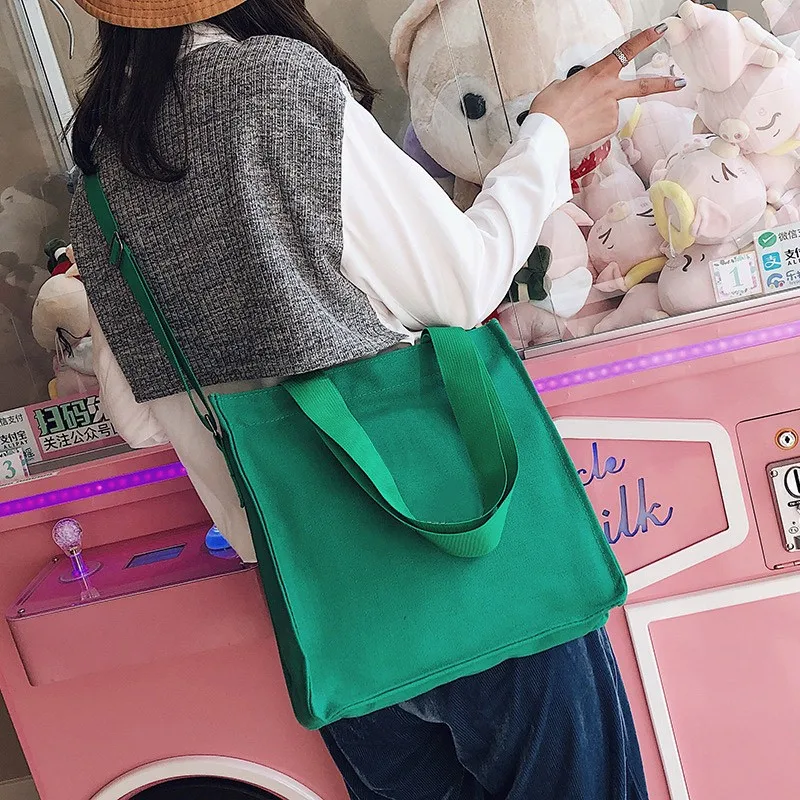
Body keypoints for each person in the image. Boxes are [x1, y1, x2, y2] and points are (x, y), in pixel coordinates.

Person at [68, 1, 683, 797]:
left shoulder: (101, 163)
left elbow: (139, 418)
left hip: (331, 613)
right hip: (462, 563)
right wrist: (549, 133)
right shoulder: (275, 83)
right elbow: (460, 285)